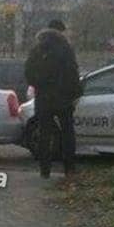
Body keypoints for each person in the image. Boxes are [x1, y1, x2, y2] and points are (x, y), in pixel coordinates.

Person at [25, 19, 81, 178]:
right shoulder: (66, 48)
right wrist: (75, 93)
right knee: (67, 132)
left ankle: (45, 170)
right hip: (63, 97)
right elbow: (72, 71)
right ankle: (69, 168)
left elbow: (28, 71)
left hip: (43, 97)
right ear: (61, 31)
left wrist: (39, 85)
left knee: (44, 134)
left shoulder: (37, 48)